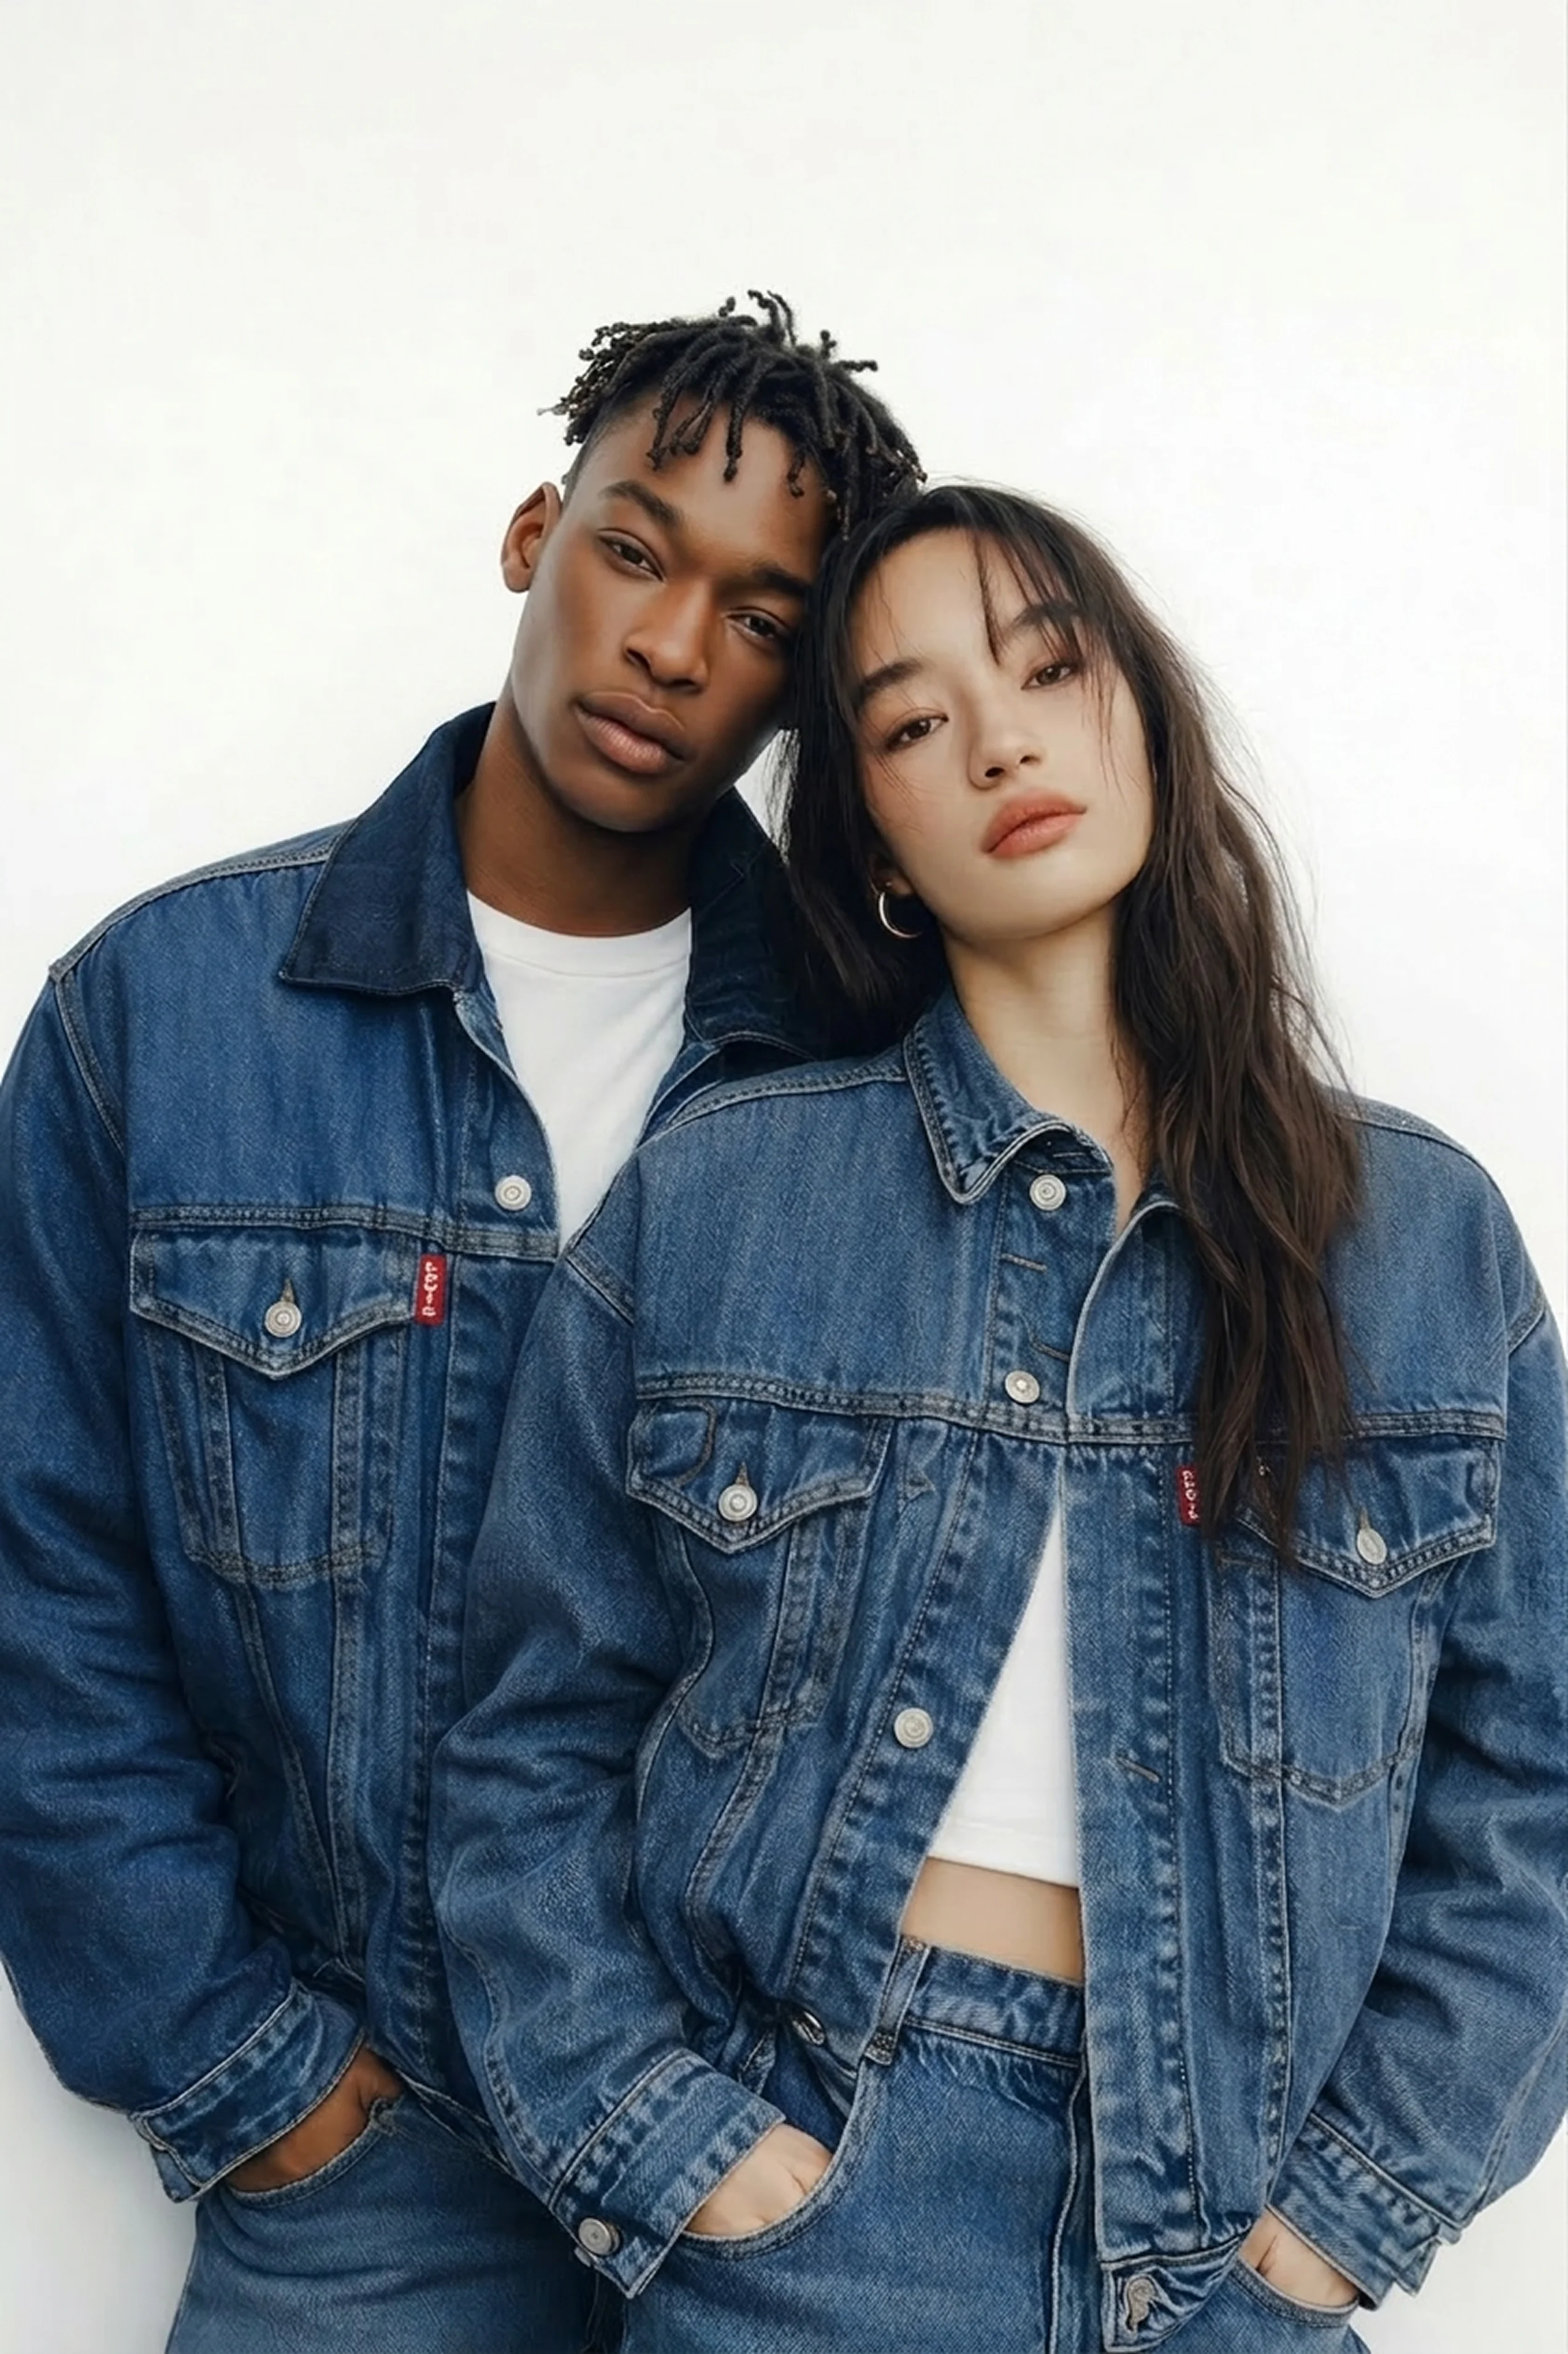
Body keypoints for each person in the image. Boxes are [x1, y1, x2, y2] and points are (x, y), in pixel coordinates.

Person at [431, 484, 1568, 2352]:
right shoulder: (724, 1204)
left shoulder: (1420, 1241)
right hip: (809, 2209)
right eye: (909, 721)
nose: (1000, 739)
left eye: (1049, 665)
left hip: (1226, 2240)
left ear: (1144, 717)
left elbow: (1530, 1793)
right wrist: (679, 2144)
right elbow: (527, 1743)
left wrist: (1349, 2214)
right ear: (873, 836)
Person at [0, 295, 923, 2354]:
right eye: (637, 549)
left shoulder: (880, 1087)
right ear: (536, 529)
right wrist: (254, 2082)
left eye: (764, 616)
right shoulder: (161, 1020)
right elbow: (39, 1590)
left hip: (786, 2178)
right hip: (370, 2164)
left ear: (809, 693)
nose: (676, 645)